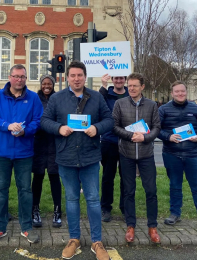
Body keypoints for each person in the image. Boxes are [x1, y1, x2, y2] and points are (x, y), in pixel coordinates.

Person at [41, 61, 113, 260]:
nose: (76, 79)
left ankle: (96, 241)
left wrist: (97, 128)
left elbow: (109, 120)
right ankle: (74, 239)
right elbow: (45, 121)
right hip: (66, 156)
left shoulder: (97, 97)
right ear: (67, 77)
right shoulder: (57, 98)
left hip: (90, 156)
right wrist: (58, 128)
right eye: (72, 75)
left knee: (92, 200)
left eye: (80, 75)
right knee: (72, 199)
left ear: (85, 76)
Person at [0, 64, 43, 244]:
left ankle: (26, 228)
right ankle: (0, 227)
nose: (19, 80)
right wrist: (7, 126)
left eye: (22, 77)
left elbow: (38, 120)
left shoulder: (33, 98)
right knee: (1, 190)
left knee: (25, 190)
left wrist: (25, 131)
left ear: (26, 78)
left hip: (24, 152)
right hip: (0, 152)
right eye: (16, 76)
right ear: (9, 77)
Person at [158, 81, 197, 231]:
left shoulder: (196, 109)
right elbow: (156, 129)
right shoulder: (163, 109)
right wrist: (168, 137)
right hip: (171, 154)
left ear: (186, 92)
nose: (180, 94)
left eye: (182, 91)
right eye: (177, 91)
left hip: (193, 154)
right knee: (174, 185)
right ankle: (175, 214)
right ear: (172, 93)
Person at [112, 72, 161, 244]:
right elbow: (115, 126)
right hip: (127, 154)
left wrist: (145, 138)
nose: (131, 88)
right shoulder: (120, 103)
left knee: (151, 191)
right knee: (128, 191)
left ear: (142, 87)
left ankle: (152, 226)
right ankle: (130, 225)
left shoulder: (152, 105)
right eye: (129, 85)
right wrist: (130, 135)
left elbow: (156, 127)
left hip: (146, 154)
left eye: (135, 85)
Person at [31, 74, 62, 228]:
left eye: (49, 83)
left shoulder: (58, 98)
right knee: (37, 177)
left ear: (53, 84)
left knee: (54, 177)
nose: (46, 86)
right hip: (38, 143)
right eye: (44, 84)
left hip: (54, 143)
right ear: (41, 84)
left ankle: (57, 211)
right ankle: (34, 209)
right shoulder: (35, 98)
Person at [99, 74, 128, 222]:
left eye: (121, 78)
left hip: (127, 141)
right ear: (112, 80)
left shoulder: (130, 94)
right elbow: (97, 103)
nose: (118, 81)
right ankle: (105, 208)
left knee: (126, 178)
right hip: (109, 141)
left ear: (125, 79)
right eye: (116, 78)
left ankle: (125, 208)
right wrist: (103, 84)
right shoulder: (106, 94)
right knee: (107, 177)